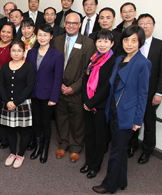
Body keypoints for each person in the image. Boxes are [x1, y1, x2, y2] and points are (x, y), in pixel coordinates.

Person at [93, 25, 151, 194]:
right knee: (119, 149)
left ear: (140, 42)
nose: (129, 44)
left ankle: (109, 185)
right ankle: (121, 181)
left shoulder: (143, 63)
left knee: (116, 151)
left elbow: (143, 94)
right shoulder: (119, 59)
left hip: (127, 114)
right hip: (113, 109)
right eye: (126, 40)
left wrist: (137, 120)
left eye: (134, 41)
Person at [52, 13, 96, 163]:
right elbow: (51, 64)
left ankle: (76, 147)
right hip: (59, 88)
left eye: (74, 23)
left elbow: (88, 70)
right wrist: (58, 84)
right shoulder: (56, 41)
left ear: (79, 25)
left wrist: (74, 87)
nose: (71, 25)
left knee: (77, 120)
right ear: (64, 24)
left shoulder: (89, 43)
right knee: (61, 117)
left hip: (77, 90)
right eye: (68, 23)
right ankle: (63, 144)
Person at [26, 24, 64, 163]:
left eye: (45, 35)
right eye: (40, 35)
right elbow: (29, 75)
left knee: (46, 123)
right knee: (36, 121)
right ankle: (37, 147)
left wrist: (54, 97)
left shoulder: (57, 55)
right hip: (34, 94)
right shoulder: (31, 52)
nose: (42, 38)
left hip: (48, 95)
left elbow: (58, 78)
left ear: (51, 36)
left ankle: (45, 149)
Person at [80, 29, 116, 179]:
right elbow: (85, 79)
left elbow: (107, 86)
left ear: (112, 43)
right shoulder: (93, 57)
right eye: (100, 41)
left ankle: (95, 166)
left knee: (100, 137)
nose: (102, 44)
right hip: (87, 103)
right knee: (89, 134)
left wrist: (92, 102)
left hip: (101, 105)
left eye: (106, 41)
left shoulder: (113, 60)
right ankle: (88, 162)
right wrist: (86, 101)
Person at [128, 14, 162, 164]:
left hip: (150, 92)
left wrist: (159, 93)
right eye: (142, 23)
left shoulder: (159, 45)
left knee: (148, 122)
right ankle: (132, 146)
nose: (145, 26)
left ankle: (147, 150)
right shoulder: (133, 43)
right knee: (132, 120)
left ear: (154, 26)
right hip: (132, 91)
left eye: (148, 23)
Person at [0, 39, 35, 169]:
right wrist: (7, 101)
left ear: (23, 52)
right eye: (13, 50)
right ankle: (13, 153)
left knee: (24, 130)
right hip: (7, 103)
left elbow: (29, 87)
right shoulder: (4, 66)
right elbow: (1, 86)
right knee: (10, 129)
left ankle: (21, 154)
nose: (16, 53)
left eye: (19, 50)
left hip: (23, 103)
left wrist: (16, 102)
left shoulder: (28, 67)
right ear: (10, 52)